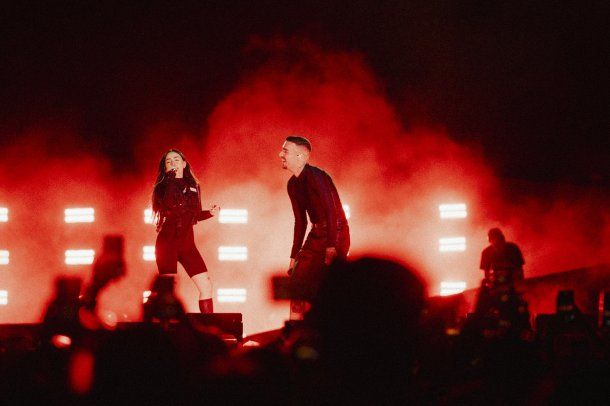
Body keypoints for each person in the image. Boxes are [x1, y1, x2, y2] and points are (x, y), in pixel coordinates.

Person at [278, 136, 350, 320]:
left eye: (285, 151)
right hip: (316, 233)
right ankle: (295, 328)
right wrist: (293, 256)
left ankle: (333, 327)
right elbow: (300, 221)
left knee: (330, 285)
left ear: (300, 156)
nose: (280, 155)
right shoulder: (292, 185)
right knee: (297, 279)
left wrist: (331, 246)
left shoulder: (317, 177)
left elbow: (332, 211)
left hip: (336, 231)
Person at [152, 149, 220, 314]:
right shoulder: (162, 187)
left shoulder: (194, 186)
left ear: (184, 164)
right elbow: (171, 204)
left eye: (176, 159)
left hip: (187, 244)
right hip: (167, 244)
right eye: (169, 161)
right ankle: (164, 326)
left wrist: (210, 213)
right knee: (167, 291)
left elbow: (194, 215)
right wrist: (170, 179)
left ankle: (207, 324)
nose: (173, 162)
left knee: (206, 285)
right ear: (165, 168)